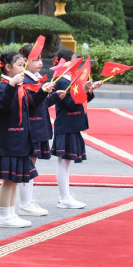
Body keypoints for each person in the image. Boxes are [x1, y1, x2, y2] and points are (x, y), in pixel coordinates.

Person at [0, 51, 56, 227]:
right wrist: (12, 85)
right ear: (8, 67)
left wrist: (43, 91)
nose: (23, 68)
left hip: (20, 139)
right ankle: (4, 216)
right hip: (9, 140)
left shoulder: (18, 86)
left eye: (23, 65)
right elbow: (3, 107)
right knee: (8, 180)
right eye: (20, 65)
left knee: (15, 179)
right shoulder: (2, 86)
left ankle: (11, 213)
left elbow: (31, 104)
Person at [50, 48, 102, 209]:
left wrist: (89, 89)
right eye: (74, 60)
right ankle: (64, 197)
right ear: (64, 62)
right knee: (63, 162)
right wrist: (85, 90)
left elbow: (81, 99)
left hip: (72, 124)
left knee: (66, 162)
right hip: (66, 124)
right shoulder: (61, 81)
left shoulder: (70, 78)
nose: (78, 63)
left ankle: (65, 196)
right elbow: (71, 104)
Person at [17, 43, 54, 216]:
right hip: (30, 128)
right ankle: (25, 203)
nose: (40, 63)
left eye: (40, 59)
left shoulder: (35, 78)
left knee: (31, 164)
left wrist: (53, 96)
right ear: (25, 61)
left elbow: (41, 103)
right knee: (28, 165)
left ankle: (28, 200)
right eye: (35, 59)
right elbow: (30, 103)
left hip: (37, 127)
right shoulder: (24, 79)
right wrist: (44, 92)